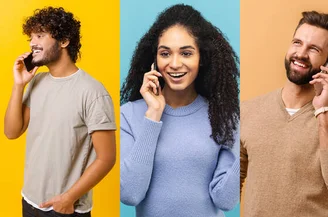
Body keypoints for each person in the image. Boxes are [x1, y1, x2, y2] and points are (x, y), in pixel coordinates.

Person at [119, 4, 240, 217]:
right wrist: (153, 115)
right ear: (154, 60)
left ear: (201, 58)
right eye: (165, 53)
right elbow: (129, 194)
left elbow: (226, 200)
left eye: (186, 53)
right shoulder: (129, 115)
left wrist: (248, 147)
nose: (175, 64)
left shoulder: (223, 116)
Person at [240, 11, 328, 217]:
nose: (301, 54)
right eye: (297, 43)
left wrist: (323, 109)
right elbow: (232, 183)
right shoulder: (248, 110)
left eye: (313, 48)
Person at [4, 6, 117, 217]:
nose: (32, 43)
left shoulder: (92, 92)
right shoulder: (37, 81)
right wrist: (19, 84)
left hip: (66, 208)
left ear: (64, 41)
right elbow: (11, 132)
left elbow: (107, 158)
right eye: (30, 38)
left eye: (39, 35)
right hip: (30, 200)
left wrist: (68, 198)